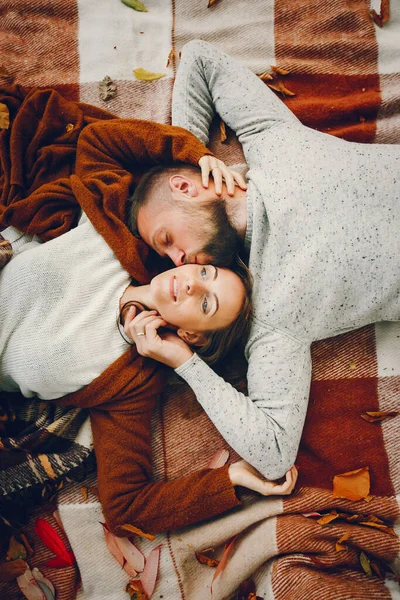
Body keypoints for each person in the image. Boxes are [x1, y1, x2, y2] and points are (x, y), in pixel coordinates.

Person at [0, 89, 298, 537]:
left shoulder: (129, 384)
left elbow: (126, 508)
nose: (192, 278)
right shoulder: (121, 233)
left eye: (205, 302)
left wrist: (230, 481)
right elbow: (100, 142)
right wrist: (196, 156)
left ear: (193, 337)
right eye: (206, 271)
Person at [128, 40, 400, 482]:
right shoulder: (271, 320)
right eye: (169, 258)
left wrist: (193, 152)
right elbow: (273, 453)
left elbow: (199, 58)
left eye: (168, 240)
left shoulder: (273, 141)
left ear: (185, 188)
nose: (176, 261)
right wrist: (185, 362)